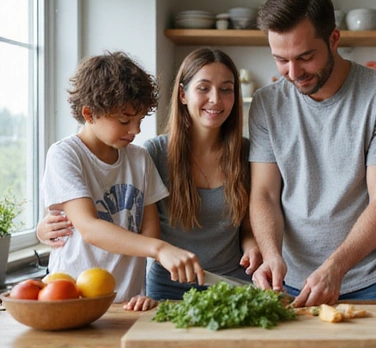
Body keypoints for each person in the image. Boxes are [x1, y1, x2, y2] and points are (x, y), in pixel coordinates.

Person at [38, 48, 262, 302]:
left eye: (140, 120)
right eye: (125, 121)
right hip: (73, 293)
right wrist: (42, 228)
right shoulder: (68, 153)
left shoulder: (138, 158)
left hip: (128, 296)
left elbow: (150, 231)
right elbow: (87, 226)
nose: (135, 130)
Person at [248, 0, 376, 307]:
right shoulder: (266, 103)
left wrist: (335, 267)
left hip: (370, 280)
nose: (293, 73)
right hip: (291, 282)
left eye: (305, 57)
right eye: (281, 60)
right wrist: (270, 255)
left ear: (334, 39)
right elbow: (264, 193)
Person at [143, 47, 261, 300]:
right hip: (167, 289)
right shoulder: (153, 154)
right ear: (183, 95)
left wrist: (252, 248)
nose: (216, 99)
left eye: (226, 89)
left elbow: (248, 229)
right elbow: (128, 221)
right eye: (204, 88)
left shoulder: (248, 153)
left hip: (232, 286)